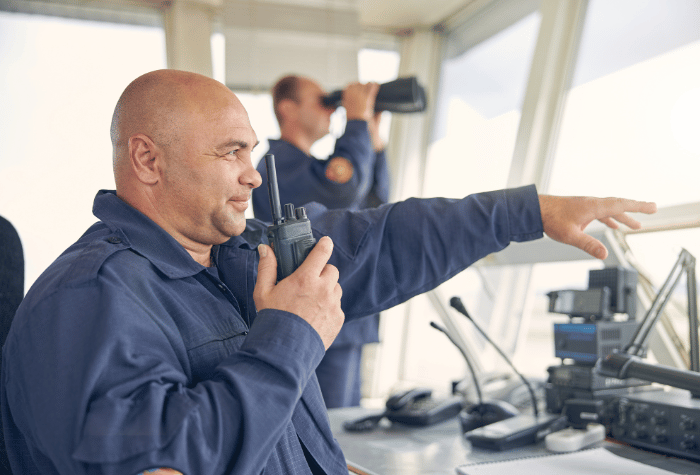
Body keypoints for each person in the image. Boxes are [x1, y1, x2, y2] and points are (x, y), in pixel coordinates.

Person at [0, 69, 657, 475]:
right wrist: (288, 335)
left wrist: (530, 210)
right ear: (147, 159)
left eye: (252, 152)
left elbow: (388, 238)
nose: (254, 174)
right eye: (231, 152)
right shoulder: (88, 300)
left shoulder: (235, 254)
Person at [252, 75, 389, 409]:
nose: (331, 109)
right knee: (327, 428)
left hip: (343, 315)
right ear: (289, 109)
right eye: (321, 101)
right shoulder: (278, 167)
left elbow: (374, 203)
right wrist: (355, 120)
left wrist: (372, 138)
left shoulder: (310, 169)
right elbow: (344, 188)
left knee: (344, 428)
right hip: (310, 319)